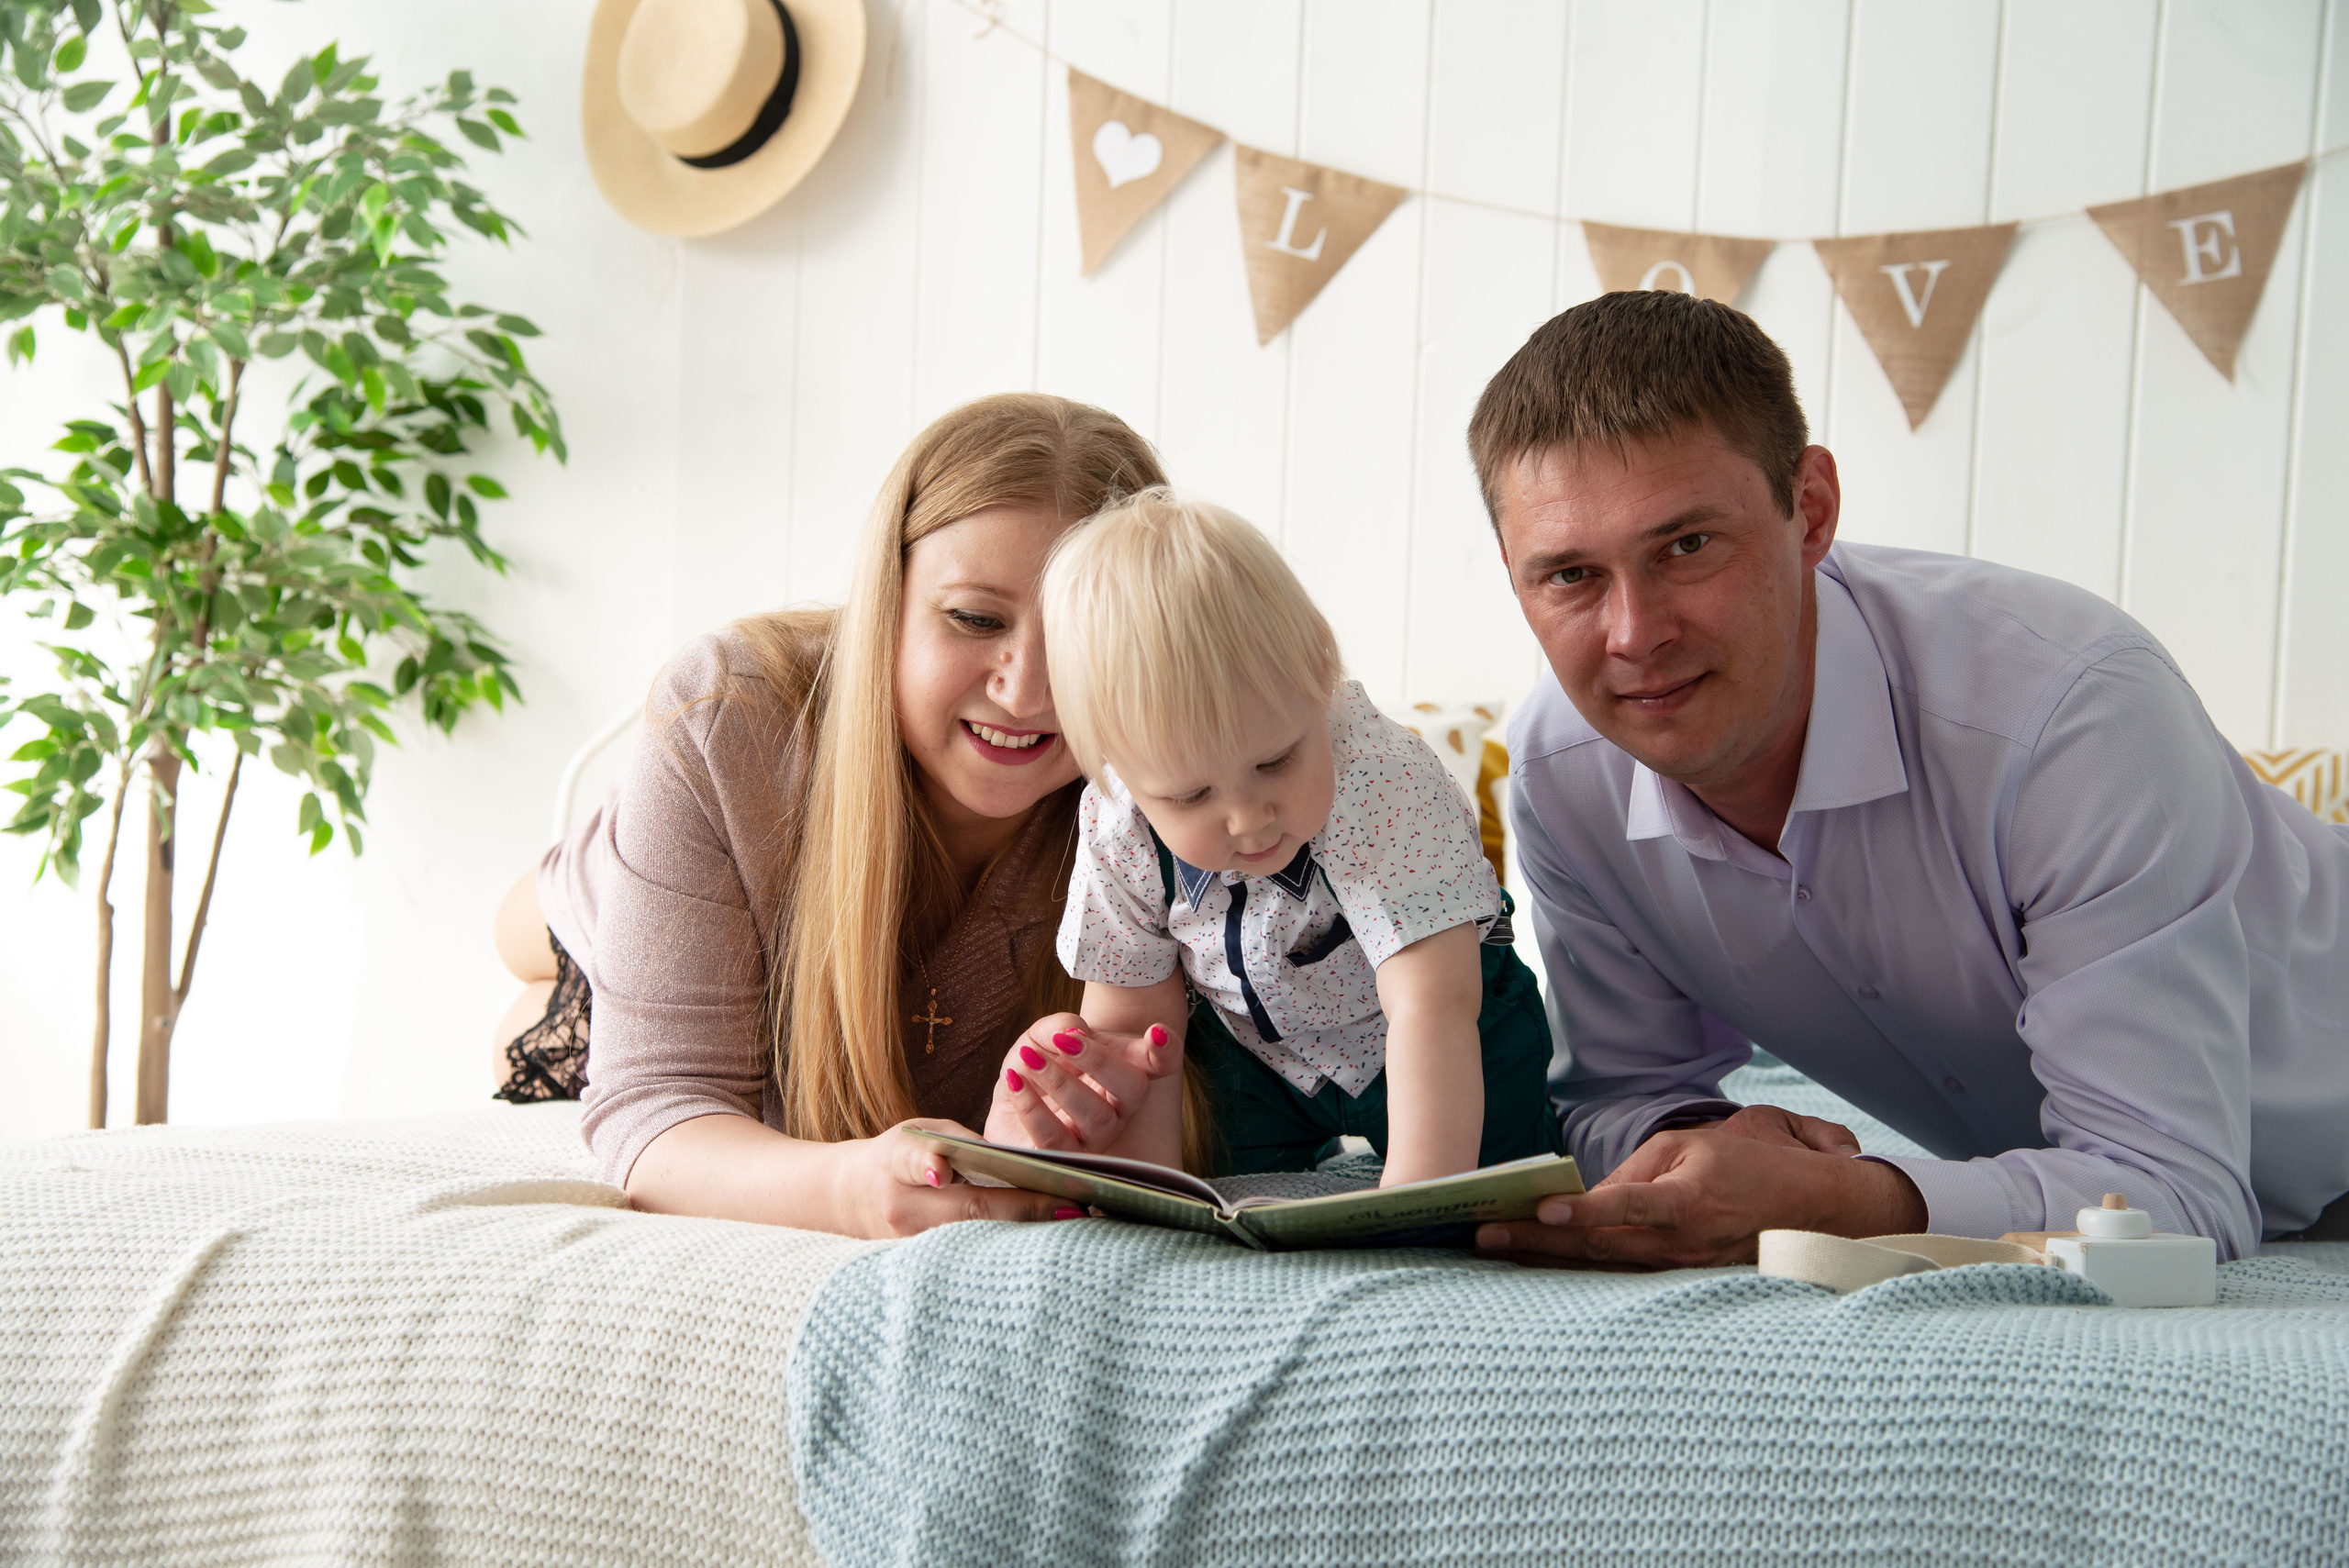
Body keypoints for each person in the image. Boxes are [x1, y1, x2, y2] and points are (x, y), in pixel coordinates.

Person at [1464, 291, 2349, 1269]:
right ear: (1511, 571)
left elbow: (2172, 1189)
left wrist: (1844, 1199)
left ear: (1811, 509)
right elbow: (1623, 1094)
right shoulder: (1560, 769)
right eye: (1570, 575)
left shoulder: (2071, 714)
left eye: (1685, 545)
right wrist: (1700, 1146)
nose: (1634, 634)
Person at [488, 393, 1192, 1236]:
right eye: (974, 619)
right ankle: (574, 909)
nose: (1029, 688)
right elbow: (656, 1109)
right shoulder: (727, 708)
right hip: (609, 895)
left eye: (1083, 633)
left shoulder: (1189, 782)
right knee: (526, 997)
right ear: (886, 600)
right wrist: (854, 1188)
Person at [1006, 490, 1558, 1182]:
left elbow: (1431, 1003)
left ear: (1320, 674)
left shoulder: (1382, 777)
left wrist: (1413, 1210)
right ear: (1119, 772)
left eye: (1275, 761)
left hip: (1447, 1027)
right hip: (1255, 1055)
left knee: (1498, 1197)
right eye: (1191, 795)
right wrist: (1157, 1197)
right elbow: (1135, 1035)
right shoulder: (1118, 824)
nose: (1249, 817)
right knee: (1227, 1187)